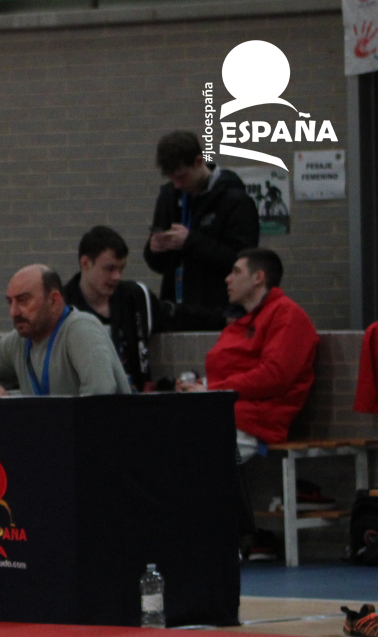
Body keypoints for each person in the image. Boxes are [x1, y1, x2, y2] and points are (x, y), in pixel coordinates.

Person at [176, 248, 318, 455]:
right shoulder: (241, 322)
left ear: (258, 277)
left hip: (253, 423)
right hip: (222, 410)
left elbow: (274, 376)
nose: (227, 279)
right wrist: (199, 386)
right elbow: (228, 374)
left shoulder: (287, 315)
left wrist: (211, 391)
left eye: (236, 272)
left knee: (182, 455)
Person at [0, 265, 131, 396]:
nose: (13, 312)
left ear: (54, 301)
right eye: (10, 302)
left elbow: (100, 394)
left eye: (23, 301)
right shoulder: (18, 341)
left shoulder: (81, 329)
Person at [143, 131, 259, 330]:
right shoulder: (170, 196)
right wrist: (154, 248)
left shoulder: (235, 200)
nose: (177, 185)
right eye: (172, 179)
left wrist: (190, 241)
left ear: (199, 162)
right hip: (179, 310)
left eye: (182, 177)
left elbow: (242, 261)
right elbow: (160, 265)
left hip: (218, 310)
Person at [64, 226, 161, 391]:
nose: (117, 277)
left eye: (121, 269)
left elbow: (180, 316)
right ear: (85, 263)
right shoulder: (63, 309)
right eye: (109, 269)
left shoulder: (135, 297)